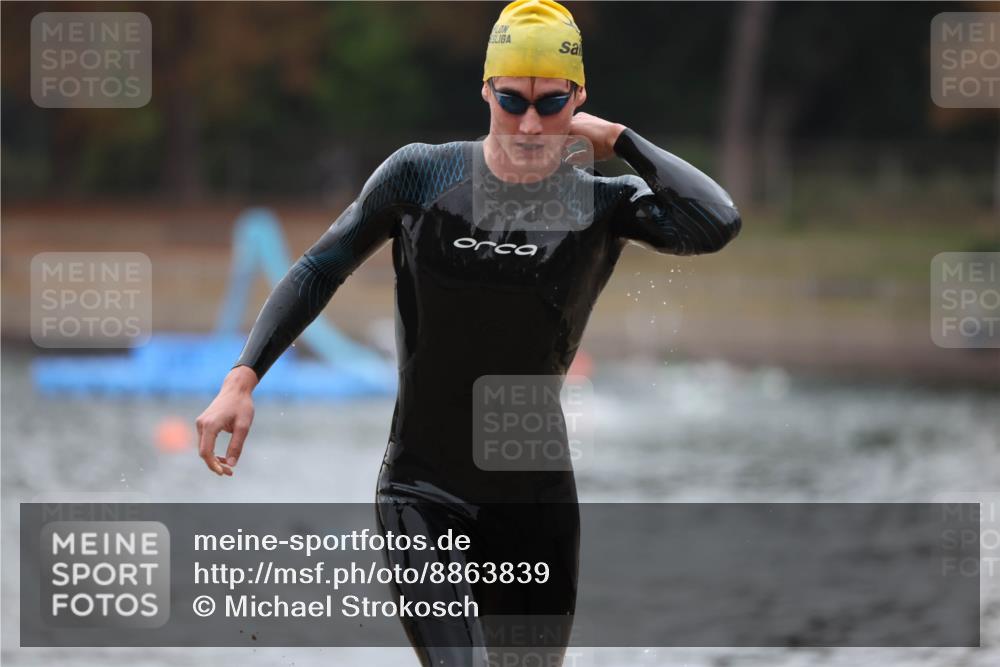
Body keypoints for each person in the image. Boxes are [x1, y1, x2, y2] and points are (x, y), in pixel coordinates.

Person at [195, 0, 741, 663]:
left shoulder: (603, 203)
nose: (531, 124)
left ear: (580, 99)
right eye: (512, 100)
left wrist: (621, 141)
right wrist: (241, 377)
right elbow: (318, 268)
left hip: (536, 503)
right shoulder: (421, 176)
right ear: (486, 89)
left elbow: (716, 221)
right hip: (422, 492)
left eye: (552, 103)